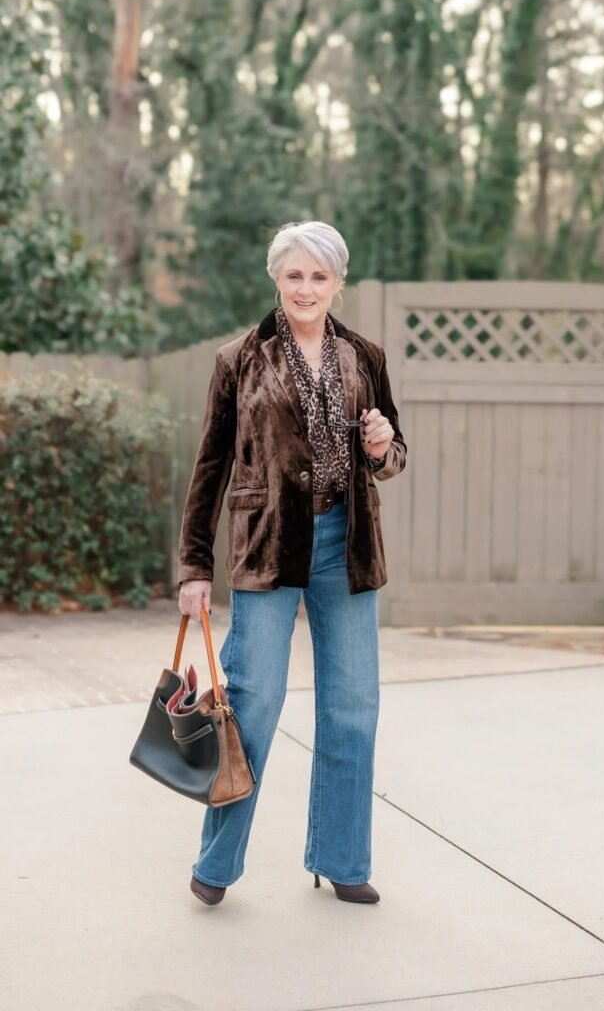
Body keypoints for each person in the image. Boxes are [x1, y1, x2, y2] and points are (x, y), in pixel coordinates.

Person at [176, 220, 406, 907]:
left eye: (319, 275)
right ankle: (216, 865)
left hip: (347, 545)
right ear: (275, 278)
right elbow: (209, 468)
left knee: (353, 705)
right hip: (269, 547)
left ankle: (341, 858)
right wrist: (193, 566)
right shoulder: (238, 358)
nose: (306, 288)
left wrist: (381, 445)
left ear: (337, 282)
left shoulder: (365, 356)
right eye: (294, 274)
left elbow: (392, 460)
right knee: (252, 702)